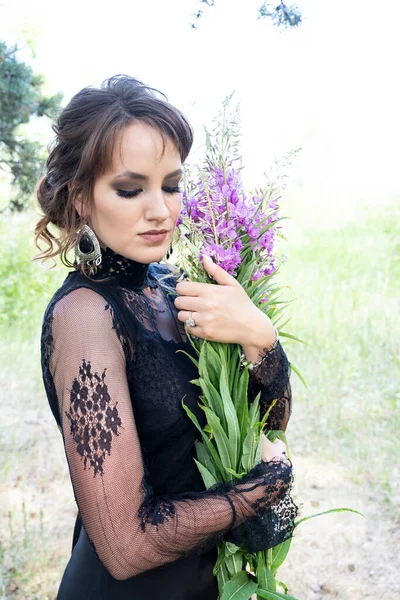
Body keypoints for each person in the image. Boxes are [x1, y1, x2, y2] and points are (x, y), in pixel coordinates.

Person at [34, 75, 298, 600]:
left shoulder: (174, 285)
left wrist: (261, 340)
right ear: (80, 199)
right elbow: (125, 545)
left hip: (207, 581)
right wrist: (259, 494)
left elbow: (264, 424)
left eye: (171, 185)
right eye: (130, 189)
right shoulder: (83, 317)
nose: (160, 210)